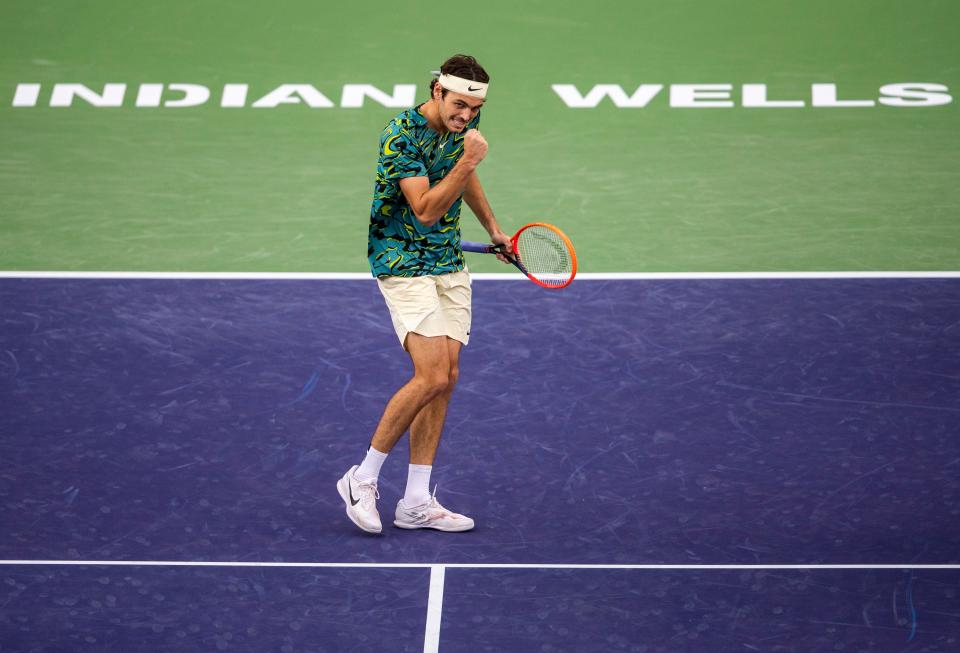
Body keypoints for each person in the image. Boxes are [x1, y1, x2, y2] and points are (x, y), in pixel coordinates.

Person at [337, 54, 511, 534]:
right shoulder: (401, 136)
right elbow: (426, 210)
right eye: (460, 105)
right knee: (430, 373)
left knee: (447, 377)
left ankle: (415, 501)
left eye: (475, 108)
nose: (467, 116)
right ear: (437, 91)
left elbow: (464, 174)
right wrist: (470, 156)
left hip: (446, 260)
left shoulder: (462, 124)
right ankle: (361, 477)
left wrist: (493, 229)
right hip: (401, 259)